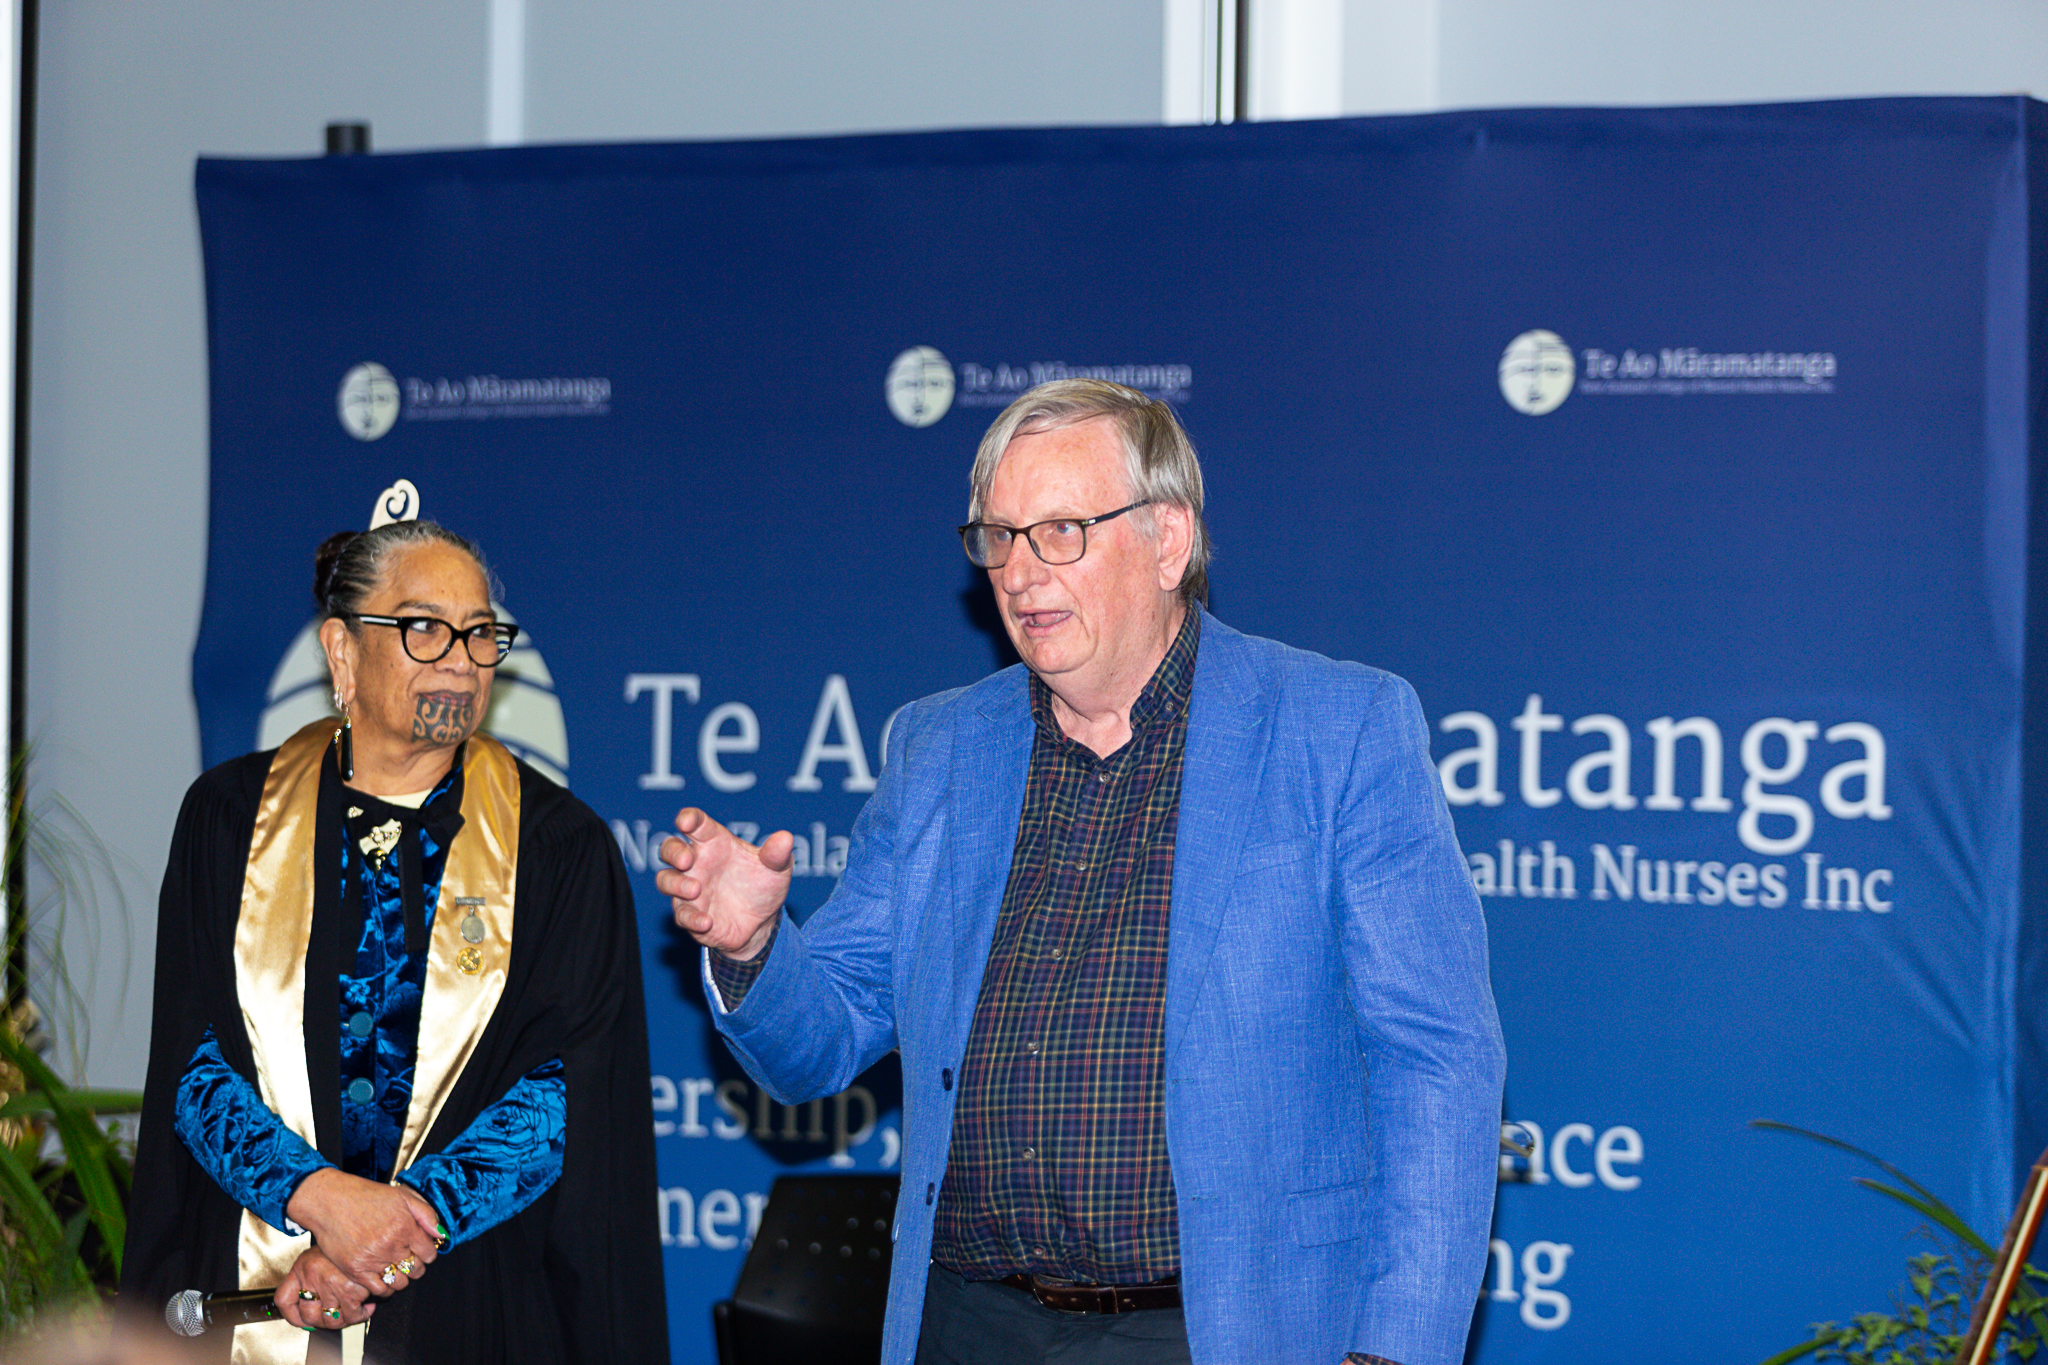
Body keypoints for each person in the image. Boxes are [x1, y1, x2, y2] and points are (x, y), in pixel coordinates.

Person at [660, 379, 1507, 1365]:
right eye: (999, 537)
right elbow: (824, 1038)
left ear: (1167, 541)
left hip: (1212, 1331)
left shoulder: (1338, 730)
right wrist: (757, 949)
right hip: (967, 1322)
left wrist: (1394, 1353)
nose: (1019, 572)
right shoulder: (937, 749)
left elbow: (1436, 1066)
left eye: (1060, 531)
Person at [124, 517, 668, 1364]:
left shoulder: (558, 848)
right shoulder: (229, 819)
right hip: (255, 1273)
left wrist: (388, 1236)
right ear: (342, 651)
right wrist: (314, 1196)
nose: (460, 658)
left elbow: (563, 1094)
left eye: (480, 632)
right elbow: (193, 1064)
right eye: (423, 628)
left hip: (465, 1291)